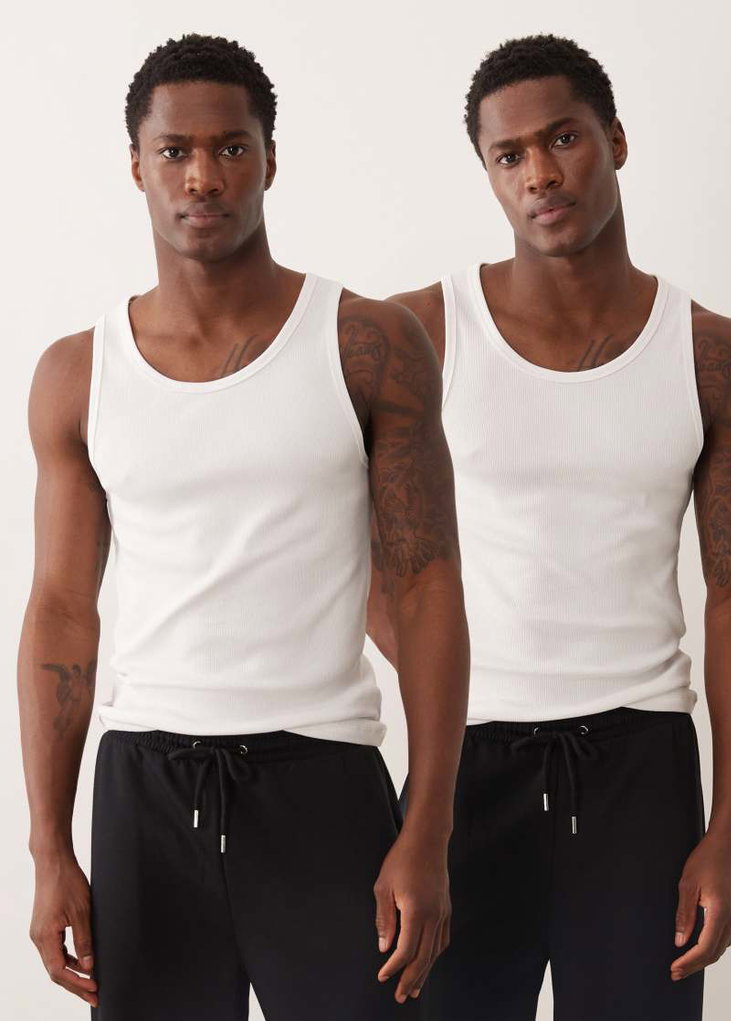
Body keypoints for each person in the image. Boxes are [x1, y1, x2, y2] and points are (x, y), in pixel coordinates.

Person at [18, 33, 469, 1020]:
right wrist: (49, 846)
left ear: (270, 159)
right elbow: (60, 609)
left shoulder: (366, 343)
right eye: (174, 151)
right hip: (146, 789)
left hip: (323, 780)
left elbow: (428, 585)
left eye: (230, 147)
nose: (202, 176)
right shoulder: (78, 373)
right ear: (136, 165)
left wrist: (429, 823)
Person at [369, 34, 731, 1020]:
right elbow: (345, 557)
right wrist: (454, 683)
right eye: (508, 155)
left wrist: (730, 829)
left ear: (616, 141)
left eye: (563, 139)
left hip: (640, 769)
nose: (539, 175)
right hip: (466, 762)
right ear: (486, 172)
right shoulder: (418, 334)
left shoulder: (712, 355)